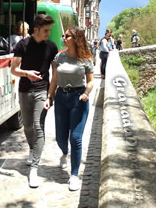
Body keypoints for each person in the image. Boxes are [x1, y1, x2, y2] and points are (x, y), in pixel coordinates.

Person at [10, 14, 58, 188]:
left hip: (42, 91)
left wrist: (50, 95)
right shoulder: (22, 45)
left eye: (49, 30)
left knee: (38, 126)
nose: (48, 33)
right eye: (46, 31)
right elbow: (13, 70)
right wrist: (27, 73)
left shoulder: (52, 47)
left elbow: (55, 74)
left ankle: (34, 169)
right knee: (28, 126)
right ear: (36, 30)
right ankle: (32, 149)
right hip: (24, 90)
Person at [46, 26, 94, 191]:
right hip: (61, 98)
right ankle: (64, 153)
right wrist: (49, 97)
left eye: (67, 36)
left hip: (78, 99)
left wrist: (87, 92)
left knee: (75, 137)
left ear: (75, 39)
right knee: (60, 137)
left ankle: (74, 175)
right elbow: (54, 79)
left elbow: (91, 81)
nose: (64, 38)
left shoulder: (86, 59)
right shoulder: (59, 56)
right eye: (64, 36)